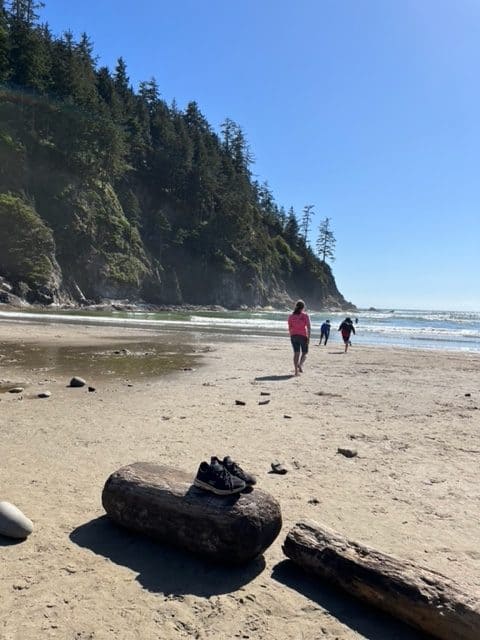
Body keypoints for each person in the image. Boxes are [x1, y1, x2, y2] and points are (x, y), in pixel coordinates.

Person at [288, 300, 311, 376]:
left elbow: (290, 327)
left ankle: (296, 371)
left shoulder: (291, 316)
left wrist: (292, 335)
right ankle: (300, 365)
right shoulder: (305, 316)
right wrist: (309, 337)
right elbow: (308, 327)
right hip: (303, 336)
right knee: (305, 352)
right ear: (303, 307)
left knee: (296, 353)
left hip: (294, 336)